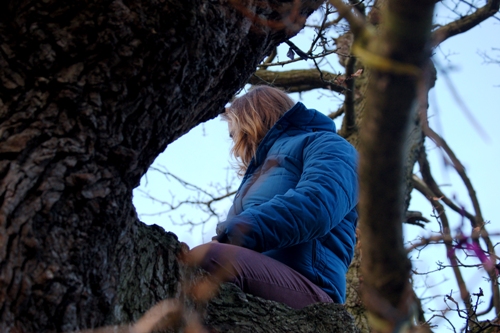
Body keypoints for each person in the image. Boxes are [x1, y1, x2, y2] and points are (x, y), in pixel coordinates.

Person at [185, 85, 358, 309]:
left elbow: (317, 206)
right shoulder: (255, 178)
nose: (234, 145)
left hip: (312, 288)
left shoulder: (328, 145)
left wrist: (235, 232)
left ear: (251, 121)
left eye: (233, 132)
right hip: (265, 275)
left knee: (209, 258)